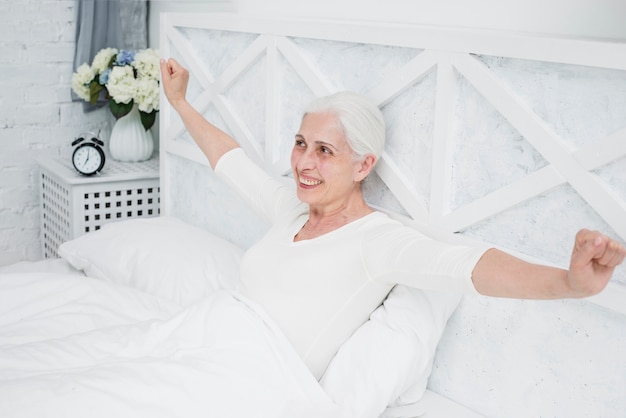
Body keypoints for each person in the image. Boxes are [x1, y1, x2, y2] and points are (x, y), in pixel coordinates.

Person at [160, 57, 626, 380]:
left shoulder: (377, 243)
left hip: (250, 384)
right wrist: (180, 102)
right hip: (202, 347)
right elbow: (231, 161)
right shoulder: (290, 209)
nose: (303, 162)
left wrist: (570, 283)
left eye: (325, 151)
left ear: (363, 165)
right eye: (301, 143)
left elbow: (469, 266)